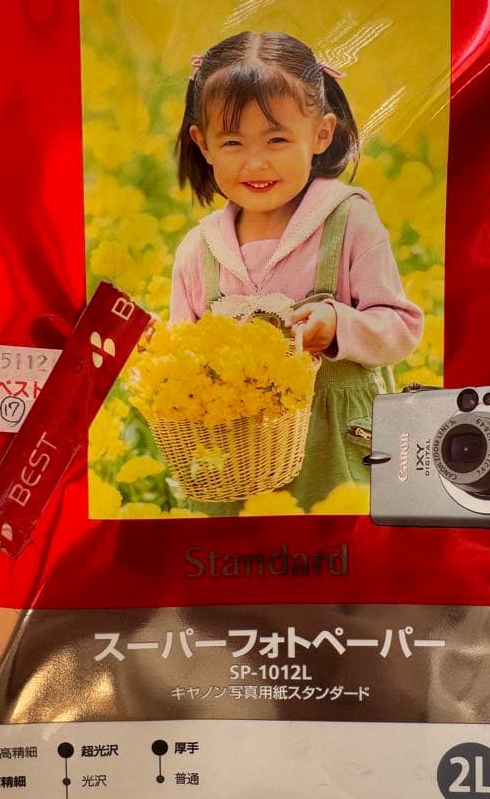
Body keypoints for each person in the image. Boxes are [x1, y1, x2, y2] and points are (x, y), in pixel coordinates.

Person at [170, 31, 423, 512]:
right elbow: (181, 363)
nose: (255, 161)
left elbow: (401, 328)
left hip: (338, 452)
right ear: (203, 144)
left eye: (277, 139)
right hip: (237, 461)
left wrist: (338, 328)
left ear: (321, 134)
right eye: (232, 142)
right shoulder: (197, 252)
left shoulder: (348, 222)